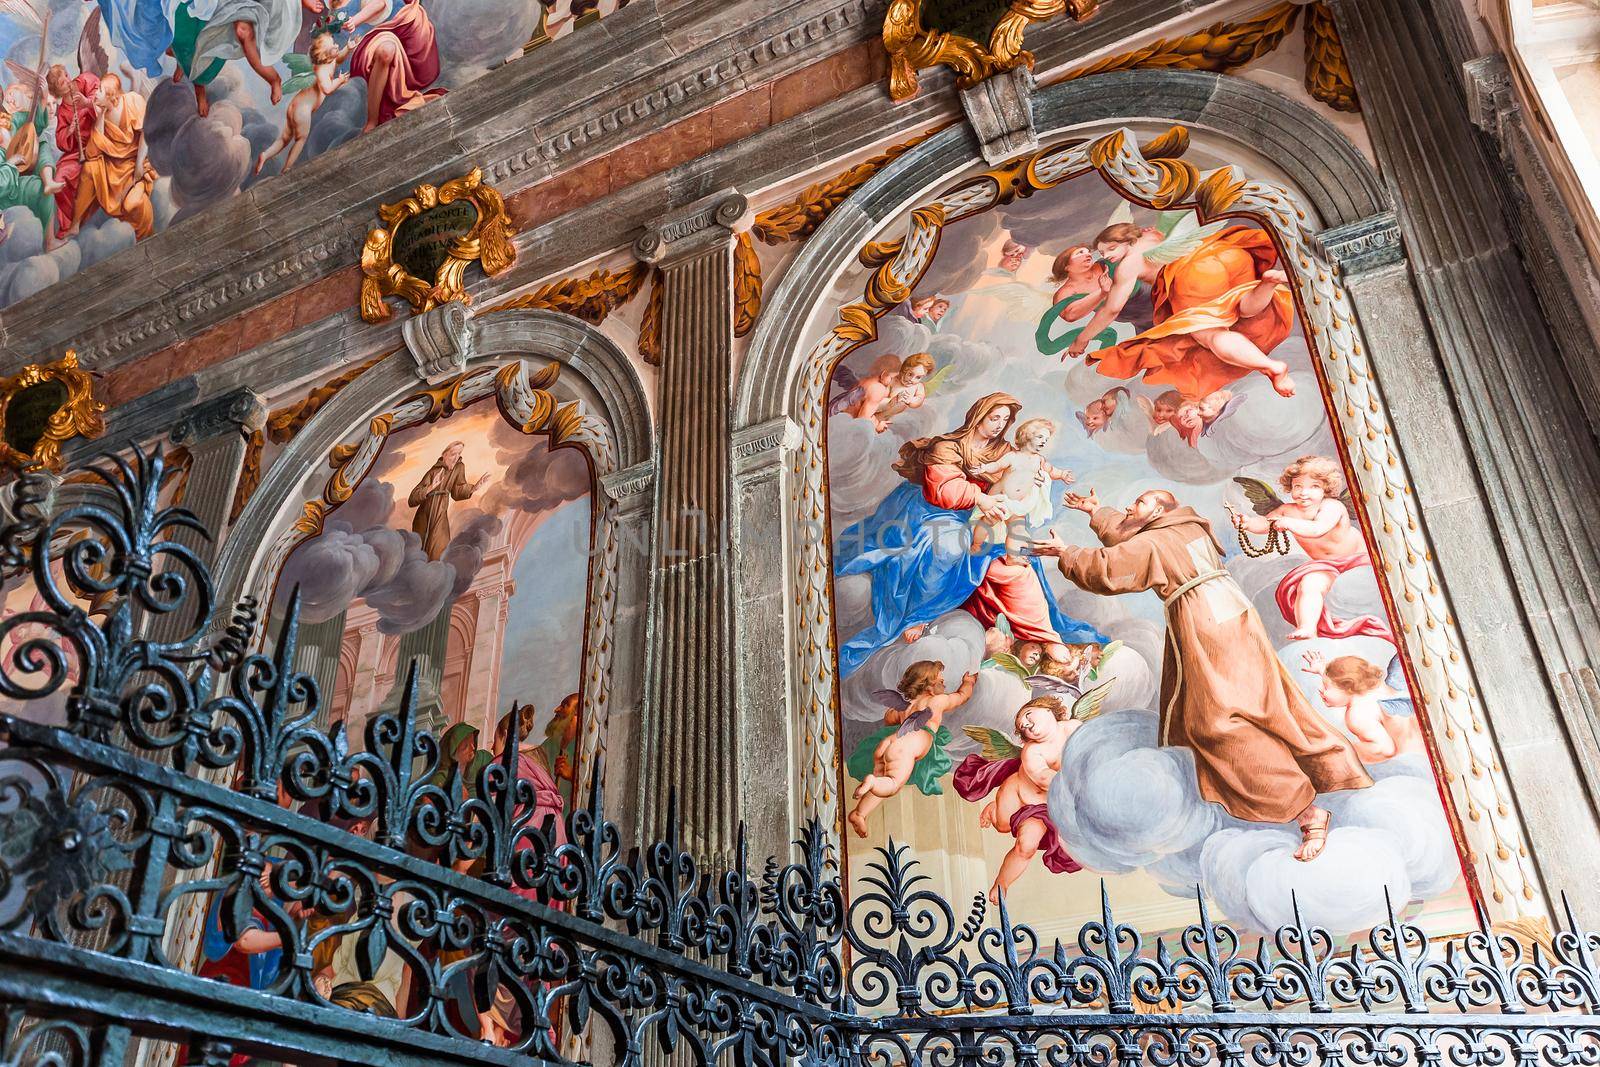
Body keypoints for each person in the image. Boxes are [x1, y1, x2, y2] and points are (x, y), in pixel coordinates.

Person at [1031, 487, 1373, 861]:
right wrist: (1097, 510)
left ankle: (1306, 811)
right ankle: (1323, 773)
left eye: (1140, 503)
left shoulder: (1161, 540)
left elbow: (1111, 567)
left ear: (1160, 510)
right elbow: (1135, 543)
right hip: (1229, 617)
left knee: (1217, 723)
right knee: (1263, 706)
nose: (1132, 505)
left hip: (1208, 624)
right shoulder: (1184, 527)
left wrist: (1067, 552)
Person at [833, 393, 1103, 678]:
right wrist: (981, 498)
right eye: (994, 417)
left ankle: (1043, 634)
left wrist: (1033, 480)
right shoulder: (948, 447)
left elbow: (1019, 476)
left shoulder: (1004, 451)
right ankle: (916, 616)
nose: (1000, 425)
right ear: (979, 416)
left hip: (983, 514)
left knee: (1019, 562)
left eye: (1005, 419)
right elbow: (944, 491)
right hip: (932, 512)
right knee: (947, 547)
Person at [1065, 221, 1297, 399]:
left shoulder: (1128, 265)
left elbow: (1112, 310)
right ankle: (1268, 282)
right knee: (1243, 308)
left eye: (1111, 249)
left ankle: (1272, 367)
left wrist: (1081, 340)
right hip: (1226, 254)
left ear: (1129, 241)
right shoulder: (1152, 235)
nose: (1107, 257)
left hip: (1192, 277)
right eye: (1103, 253)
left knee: (1211, 336)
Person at [1229, 455, 1391, 642]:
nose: (1304, 493)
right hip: (1326, 566)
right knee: (1308, 584)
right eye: (1298, 486)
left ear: (1326, 488)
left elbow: (1317, 529)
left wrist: (1288, 523)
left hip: (1357, 561)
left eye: (1313, 486)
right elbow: (1265, 524)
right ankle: (1307, 628)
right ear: (1290, 488)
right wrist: (1247, 523)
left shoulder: (1332, 506)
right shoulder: (1287, 510)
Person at [954, 695, 1085, 901]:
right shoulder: (1032, 752)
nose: (1024, 724)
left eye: (1027, 715)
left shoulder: (1075, 728)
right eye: (1021, 727)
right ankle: (994, 809)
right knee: (1002, 824)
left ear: (1047, 709)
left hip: (1046, 809)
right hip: (1020, 796)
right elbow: (1044, 779)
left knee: (1026, 846)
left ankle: (1001, 883)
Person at [846, 661, 976, 837]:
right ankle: (872, 783)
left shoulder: (904, 707)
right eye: (941, 681)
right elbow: (961, 696)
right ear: (929, 685)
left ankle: (859, 813)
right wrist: (968, 682)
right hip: (907, 746)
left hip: (888, 743)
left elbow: (889, 719)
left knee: (884, 778)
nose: (944, 684)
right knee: (892, 784)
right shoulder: (937, 701)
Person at [968, 417, 1073, 561]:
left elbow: (1051, 470)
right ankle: (976, 544)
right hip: (1001, 499)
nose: (1044, 441)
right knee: (988, 522)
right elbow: (996, 466)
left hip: (1019, 504)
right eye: (1040, 437)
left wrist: (1061, 474)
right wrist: (984, 468)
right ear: (1027, 436)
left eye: (1046, 439)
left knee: (1016, 529)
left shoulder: (1039, 460)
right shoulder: (1012, 456)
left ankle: (1012, 557)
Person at [255, 31, 352, 175]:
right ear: (325, 55)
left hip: (295, 105)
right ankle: (287, 169)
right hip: (302, 110)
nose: (337, 45)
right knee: (301, 139)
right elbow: (327, 89)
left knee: (285, 138)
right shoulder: (322, 71)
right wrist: (340, 81)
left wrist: (348, 48)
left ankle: (265, 155)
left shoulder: (329, 60)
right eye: (333, 45)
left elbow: (339, 58)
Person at [73, 74, 156, 239]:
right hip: (113, 166)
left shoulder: (132, 102)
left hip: (135, 164)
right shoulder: (102, 112)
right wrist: (101, 116)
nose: (95, 93)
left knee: (133, 204)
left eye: (100, 90)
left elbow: (146, 133)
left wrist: (139, 164)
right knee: (89, 169)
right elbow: (92, 152)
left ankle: (145, 234)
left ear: (111, 97)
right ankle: (75, 223)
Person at [1302, 650, 1421, 763]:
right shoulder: (1374, 690)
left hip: (1416, 755)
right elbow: (1347, 680)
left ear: (1347, 686)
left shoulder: (1356, 714)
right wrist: (1323, 670)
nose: (1320, 689)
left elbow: (1385, 749)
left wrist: (1345, 750)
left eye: (1326, 686)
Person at [344, 0, 445, 133]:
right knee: (386, 50)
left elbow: (380, 4)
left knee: (388, 48)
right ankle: (372, 121)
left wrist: (355, 20)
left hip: (407, 30)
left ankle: (384, 111)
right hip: (375, 38)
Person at [408, 440, 488, 560]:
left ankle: (437, 574)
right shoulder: (433, 472)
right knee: (420, 550)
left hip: (440, 513)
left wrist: (473, 488)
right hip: (424, 516)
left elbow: (457, 490)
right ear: (444, 455)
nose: (456, 458)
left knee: (439, 547)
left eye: (459, 454)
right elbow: (412, 499)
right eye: (452, 454)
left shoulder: (458, 468)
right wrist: (430, 487)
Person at [45, 66, 98, 243]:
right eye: (62, 82)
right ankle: (70, 221)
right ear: (56, 90)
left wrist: (87, 102)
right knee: (60, 176)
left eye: (67, 75)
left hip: (99, 139)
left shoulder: (84, 81)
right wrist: (69, 130)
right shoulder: (62, 111)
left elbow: (102, 98)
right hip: (78, 151)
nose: (68, 81)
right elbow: (61, 142)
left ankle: (84, 216)